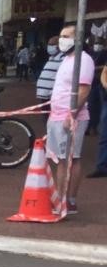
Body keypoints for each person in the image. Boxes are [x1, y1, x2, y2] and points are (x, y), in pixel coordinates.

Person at [46, 24, 93, 214]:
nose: (62, 40)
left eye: (66, 36)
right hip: (57, 115)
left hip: (71, 117)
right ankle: (61, 196)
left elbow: (84, 90)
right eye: (60, 36)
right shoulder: (66, 59)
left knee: (71, 158)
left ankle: (68, 200)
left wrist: (71, 115)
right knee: (60, 160)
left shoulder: (84, 60)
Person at [36, 36, 63, 128]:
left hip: (53, 95)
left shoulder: (63, 58)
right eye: (49, 44)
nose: (49, 47)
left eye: (52, 45)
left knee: (53, 119)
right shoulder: (51, 57)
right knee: (47, 118)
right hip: (44, 94)